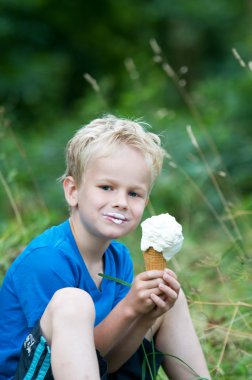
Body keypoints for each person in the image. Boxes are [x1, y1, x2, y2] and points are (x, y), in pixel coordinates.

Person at [0, 115, 210, 380]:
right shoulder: (47, 260)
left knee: (167, 298)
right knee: (74, 303)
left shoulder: (118, 258)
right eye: (107, 187)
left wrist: (144, 315)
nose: (121, 201)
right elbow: (63, 358)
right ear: (73, 191)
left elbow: (105, 362)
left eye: (134, 193)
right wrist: (130, 308)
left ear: (145, 203)